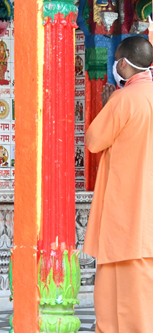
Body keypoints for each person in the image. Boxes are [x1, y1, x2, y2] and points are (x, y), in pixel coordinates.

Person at [83, 36, 153, 333]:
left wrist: (109, 104)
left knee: (119, 289)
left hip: (126, 211)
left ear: (123, 63)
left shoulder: (123, 99)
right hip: (147, 213)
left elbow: (94, 141)